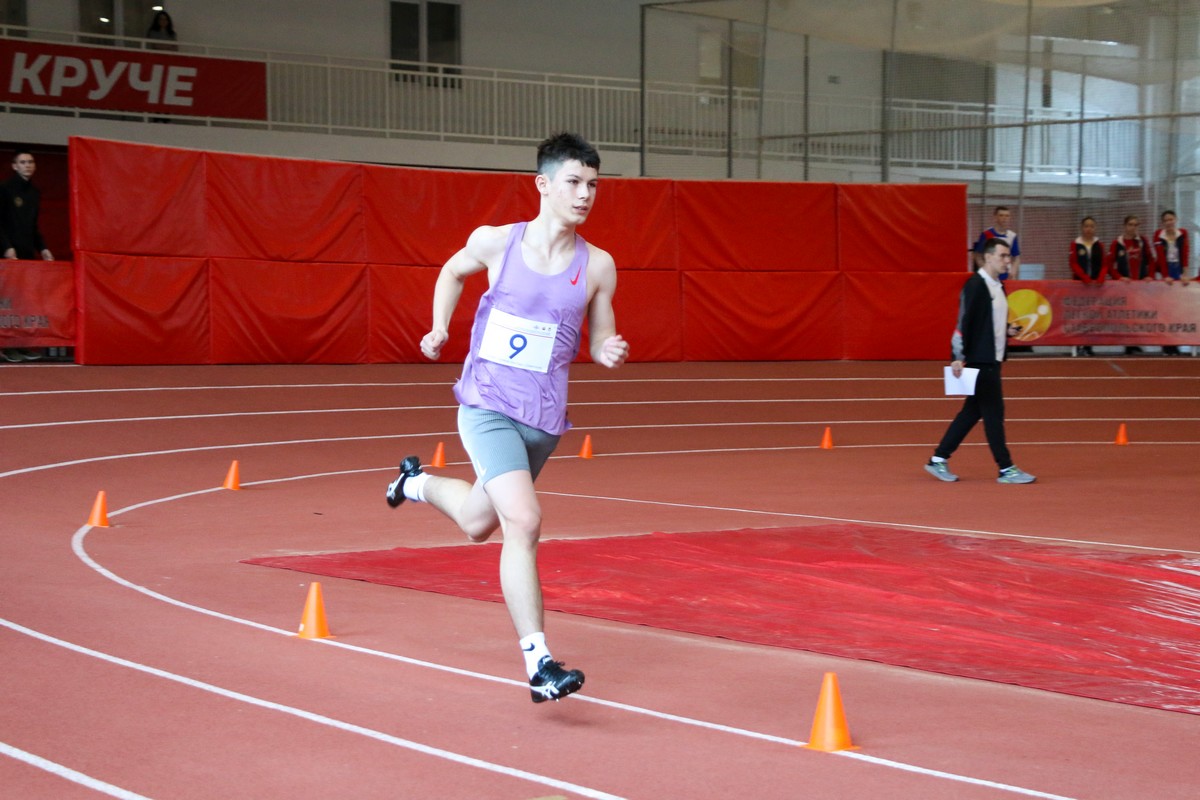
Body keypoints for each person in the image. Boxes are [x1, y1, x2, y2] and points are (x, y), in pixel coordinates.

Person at [384, 132, 629, 703]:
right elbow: (452, 272)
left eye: (593, 185)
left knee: (477, 522)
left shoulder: (598, 265)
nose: (585, 194)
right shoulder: (496, 242)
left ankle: (412, 483)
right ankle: (539, 664)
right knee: (523, 521)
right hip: (486, 405)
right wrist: (439, 327)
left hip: (542, 421)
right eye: (574, 182)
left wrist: (608, 350)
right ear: (543, 184)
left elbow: (600, 336)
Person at [925, 238, 1035, 485]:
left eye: (1008, 256)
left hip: (992, 358)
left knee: (972, 412)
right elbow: (963, 323)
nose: (1007, 260)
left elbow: (988, 321)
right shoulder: (975, 285)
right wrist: (957, 357)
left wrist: (1007, 329)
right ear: (988, 257)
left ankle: (938, 459)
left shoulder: (998, 286)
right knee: (994, 414)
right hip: (980, 360)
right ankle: (1006, 468)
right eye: (1003, 256)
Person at [1, 149, 53, 363]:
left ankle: (20, 344)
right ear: (15, 166)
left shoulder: (34, 193)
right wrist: (6, 247)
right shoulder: (4, 189)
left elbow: (33, 227)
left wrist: (43, 248)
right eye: (22, 162)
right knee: (7, 302)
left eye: (30, 162)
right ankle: (5, 346)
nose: (27, 165)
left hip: (26, 254)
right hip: (7, 253)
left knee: (23, 302)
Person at [1108, 215, 1158, 355]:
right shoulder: (1117, 243)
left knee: (1139, 316)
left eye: (1136, 225)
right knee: (1127, 316)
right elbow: (1109, 265)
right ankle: (1129, 344)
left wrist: (1150, 275)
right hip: (1125, 287)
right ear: (1125, 226)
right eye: (1130, 224)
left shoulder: (1142, 242)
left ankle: (1136, 342)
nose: (1133, 227)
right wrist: (1119, 278)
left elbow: (1151, 260)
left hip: (1140, 287)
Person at [1153, 210, 1189, 355]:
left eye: (1171, 219)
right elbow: (1160, 257)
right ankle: (1166, 344)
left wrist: (1184, 274)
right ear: (1163, 223)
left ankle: (1175, 343)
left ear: (1176, 220)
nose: (1169, 222)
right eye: (1166, 220)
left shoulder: (1183, 233)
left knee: (1177, 310)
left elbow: (1185, 253)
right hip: (1165, 270)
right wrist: (1165, 275)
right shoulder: (1158, 235)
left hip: (1177, 270)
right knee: (1165, 310)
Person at [1069, 216, 1106, 356]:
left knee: (1092, 316)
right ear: (1082, 228)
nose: (1089, 229)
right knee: (1079, 316)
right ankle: (1078, 344)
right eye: (1086, 226)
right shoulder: (1075, 244)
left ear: (1095, 228)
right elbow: (1073, 263)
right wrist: (1085, 278)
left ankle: (1089, 345)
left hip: (1095, 286)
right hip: (1080, 285)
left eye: (1092, 226)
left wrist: (1100, 278)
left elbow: (1105, 264)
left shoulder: (1099, 245)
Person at [974, 206, 1021, 280]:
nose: (1004, 218)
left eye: (1007, 216)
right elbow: (978, 256)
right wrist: (986, 272)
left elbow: (1016, 257)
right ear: (995, 217)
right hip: (990, 276)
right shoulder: (986, 234)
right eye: (1001, 215)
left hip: (1006, 277)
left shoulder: (1012, 236)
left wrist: (1013, 272)